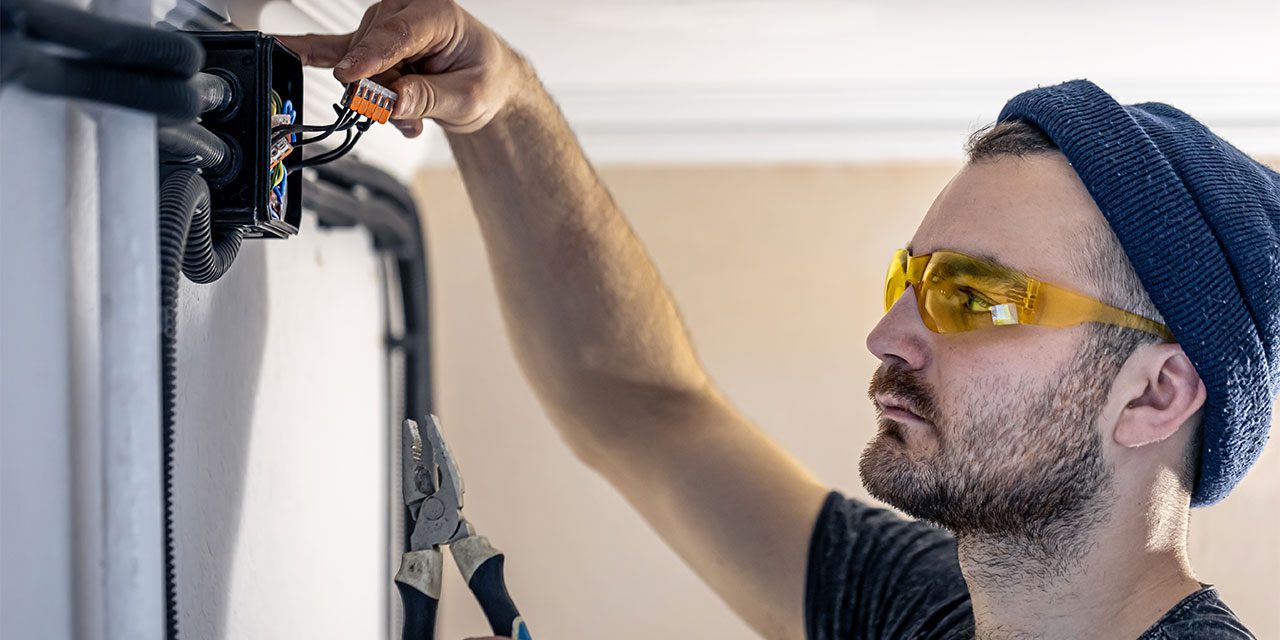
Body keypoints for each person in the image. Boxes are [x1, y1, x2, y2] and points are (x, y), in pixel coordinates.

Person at [279, 2, 1278, 638]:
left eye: (971, 296)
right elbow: (639, 408)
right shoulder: (916, 612)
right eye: (909, 276)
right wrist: (504, 112)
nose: (888, 332)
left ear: (1154, 391)